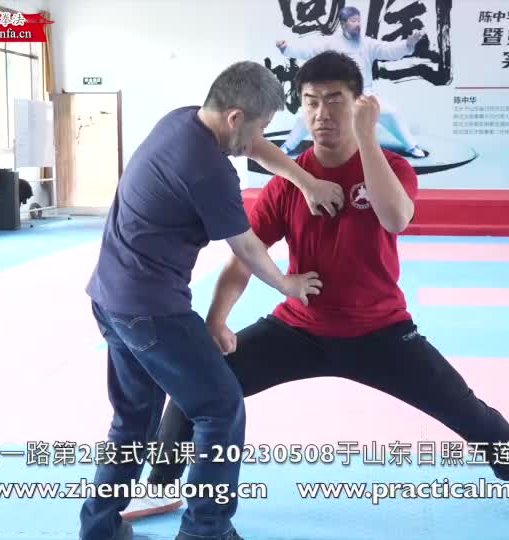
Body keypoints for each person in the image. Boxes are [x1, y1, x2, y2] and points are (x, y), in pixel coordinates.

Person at [122, 51, 509, 526]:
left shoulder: (393, 168)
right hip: (298, 330)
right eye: (311, 101)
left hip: (380, 331)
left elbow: (395, 218)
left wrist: (368, 137)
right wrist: (218, 320)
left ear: (359, 104)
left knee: (465, 409)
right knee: (194, 386)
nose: (322, 114)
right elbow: (243, 259)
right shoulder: (288, 183)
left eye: (335, 100)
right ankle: (162, 483)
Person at [81, 61, 345, 540]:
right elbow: (246, 247)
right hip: (152, 310)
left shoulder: (181, 120)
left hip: (110, 298)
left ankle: (98, 529)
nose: (260, 139)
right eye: (260, 126)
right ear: (235, 118)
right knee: (220, 408)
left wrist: (304, 181)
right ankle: (206, 530)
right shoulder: (208, 172)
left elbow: (254, 147)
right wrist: (288, 285)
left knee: (133, 418)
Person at [275, 5, 427, 158]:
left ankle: (412, 146)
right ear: (343, 24)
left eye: (359, 20)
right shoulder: (330, 44)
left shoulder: (367, 43)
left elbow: (388, 50)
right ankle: (288, 145)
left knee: (390, 112)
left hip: (364, 93)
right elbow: (309, 51)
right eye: (353, 21)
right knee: (305, 116)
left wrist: (408, 45)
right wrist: (286, 49)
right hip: (336, 95)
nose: (358, 24)